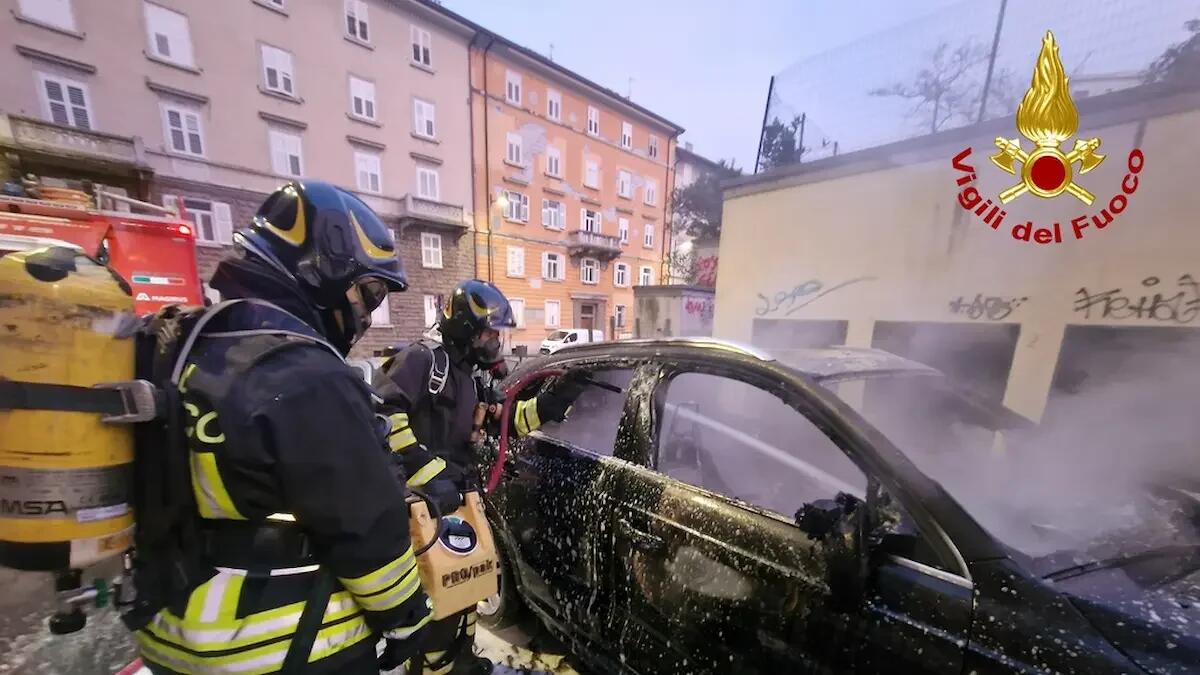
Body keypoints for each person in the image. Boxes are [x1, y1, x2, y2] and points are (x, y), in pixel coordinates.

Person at [132, 181, 432, 674]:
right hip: (279, 642)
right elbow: (364, 526)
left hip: (169, 630)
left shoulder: (184, 346)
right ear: (326, 272)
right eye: (370, 293)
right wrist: (406, 618)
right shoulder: (307, 373)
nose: (368, 312)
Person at [374, 279, 587, 675]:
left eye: (497, 334)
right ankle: (433, 668)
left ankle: (462, 658)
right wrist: (427, 474)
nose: (495, 342)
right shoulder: (422, 361)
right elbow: (382, 416)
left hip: (458, 497)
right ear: (465, 329)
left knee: (467, 583)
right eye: (489, 333)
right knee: (437, 591)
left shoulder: (473, 377)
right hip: (423, 505)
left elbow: (509, 423)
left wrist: (557, 398)